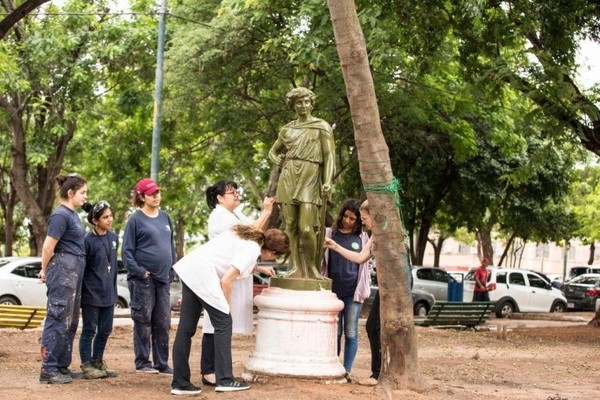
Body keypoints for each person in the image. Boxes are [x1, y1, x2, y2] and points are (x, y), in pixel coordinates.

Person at [171, 225, 290, 395]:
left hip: (191, 270)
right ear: (272, 253)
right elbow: (226, 281)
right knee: (224, 322)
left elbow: (228, 261)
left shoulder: (248, 238)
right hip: (203, 275)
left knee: (186, 329)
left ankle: (180, 383)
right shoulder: (252, 250)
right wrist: (226, 308)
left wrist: (258, 268)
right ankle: (225, 379)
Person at [200, 180, 276, 386]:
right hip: (221, 276)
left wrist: (258, 268)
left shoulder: (235, 214)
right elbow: (252, 232)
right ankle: (209, 370)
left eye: (236, 191)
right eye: (230, 192)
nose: (235, 194)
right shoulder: (219, 217)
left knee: (222, 325)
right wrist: (267, 212)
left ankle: (218, 369)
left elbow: (248, 242)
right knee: (214, 323)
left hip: (232, 274)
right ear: (219, 198)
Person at [268, 87, 335, 279]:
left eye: (306, 102)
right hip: (289, 175)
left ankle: (312, 267)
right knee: (291, 226)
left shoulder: (322, 126)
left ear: (312, 103)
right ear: (293, 105)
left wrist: (328, 181)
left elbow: (329, 155)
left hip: (310, 176)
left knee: (307, 228)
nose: (303, 106)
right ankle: (294, 267)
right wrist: (276, 159)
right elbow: (273, 152)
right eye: (299, 102)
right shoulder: (287, 129)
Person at [122, 178, 176, 374]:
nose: (156, 196)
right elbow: (126, 251)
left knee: (163, 322)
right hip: (143, 279)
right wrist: (140, 272)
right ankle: (143, 362)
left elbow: (171, 246)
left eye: (158, 192)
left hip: (163, 278)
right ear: (142, 196)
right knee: (143, 320)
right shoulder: (135, 220)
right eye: (152, 193)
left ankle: (161, 363)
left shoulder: (165, 218)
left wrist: (172, 268)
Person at [38, 174, 88, 384]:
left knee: (71, 321)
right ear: (70, 193)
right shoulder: (60, 215)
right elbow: (48, 246)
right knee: (58, 318)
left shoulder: (73, 215)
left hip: (74, 270)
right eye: (83, 193)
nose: (86, 197)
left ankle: (61, 366)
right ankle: (48, 369)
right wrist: (44, 270)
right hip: (62, 270)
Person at [321, 199, 372, 380]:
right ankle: (333, 366)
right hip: (333, 293)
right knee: (335, 332)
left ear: (358, 220)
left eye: (352, 218)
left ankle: (347, 369)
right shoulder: (330, 234)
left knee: (351, 332)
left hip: (353, 292)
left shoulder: (363, 238)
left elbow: (365, 264)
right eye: (345, 216)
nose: (348, 221)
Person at [78, 200, 119, 379]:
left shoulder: (114, 238)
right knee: (89, 330)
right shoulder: (87, 241)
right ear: (95, 221)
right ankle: (86, 365)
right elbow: (82, 270)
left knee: (105, 330)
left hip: (108, 294)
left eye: (110, 216)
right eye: (105, 217)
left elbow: (113, 267)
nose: (109, 219)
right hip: (91, 295)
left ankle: (97, 361)